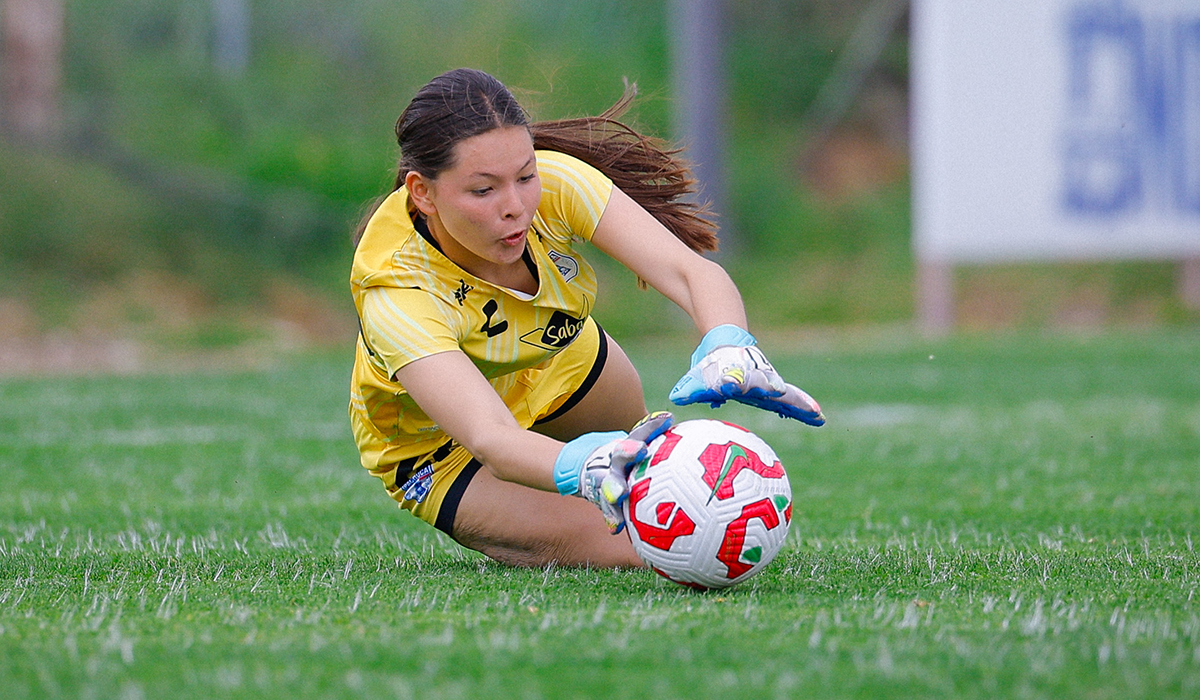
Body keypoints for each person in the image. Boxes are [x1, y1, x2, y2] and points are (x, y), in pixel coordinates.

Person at [349, 68, 823, 569]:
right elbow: (491, 438)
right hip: (442, 447)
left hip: (560, 364)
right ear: (422, 193)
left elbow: (690, 273)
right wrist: (582, 464)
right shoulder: (393, 289)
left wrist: (729, 343)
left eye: (525, 177)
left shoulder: (557, 184)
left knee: (659, 494)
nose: (516, 207)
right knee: (646, 544)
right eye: (484, 190)